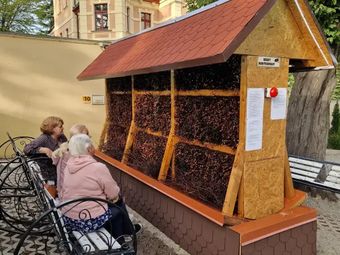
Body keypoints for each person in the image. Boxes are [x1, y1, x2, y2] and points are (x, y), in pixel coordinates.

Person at [61, 134, 141, 240]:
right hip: (88, 221)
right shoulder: (98, 167)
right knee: (118, 205)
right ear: (89, 149)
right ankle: (123, 239)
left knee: (114, 206)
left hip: (69, 217)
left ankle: (128, 232)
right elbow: (113, 193)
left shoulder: (69, 165)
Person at [24, 116, 67, 188]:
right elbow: (27, 149)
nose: (63, 128)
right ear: (52, 128)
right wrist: (42, 149)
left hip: (61, 165)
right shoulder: (44, 138)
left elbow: (68, 147)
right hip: (50, 169)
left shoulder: (62, 136)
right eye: (60, 126)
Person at [52, 124, 89, 197]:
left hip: (61, 187)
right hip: (70, 192)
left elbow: (54, 160)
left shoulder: (64, 148)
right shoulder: (75, 154)